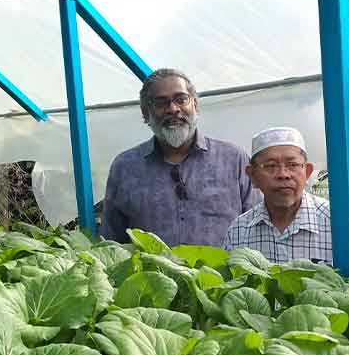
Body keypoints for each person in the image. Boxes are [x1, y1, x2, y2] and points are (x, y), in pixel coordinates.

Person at [100, 68, 259, 246]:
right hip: (153, 274)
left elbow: (256, 228)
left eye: (181, 99)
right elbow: (112, 241)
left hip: (225, 274)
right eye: (161, 103)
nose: (173, 109)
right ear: (146, 112)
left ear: (195, 105)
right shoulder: (125, 167)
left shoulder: (233, 159)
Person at [223, 126, 349, 271]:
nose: (283, 174)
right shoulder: (238, 231)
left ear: (307, 172)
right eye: (270, 166)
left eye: (293, 165)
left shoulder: (339, 224)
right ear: (253, 176)